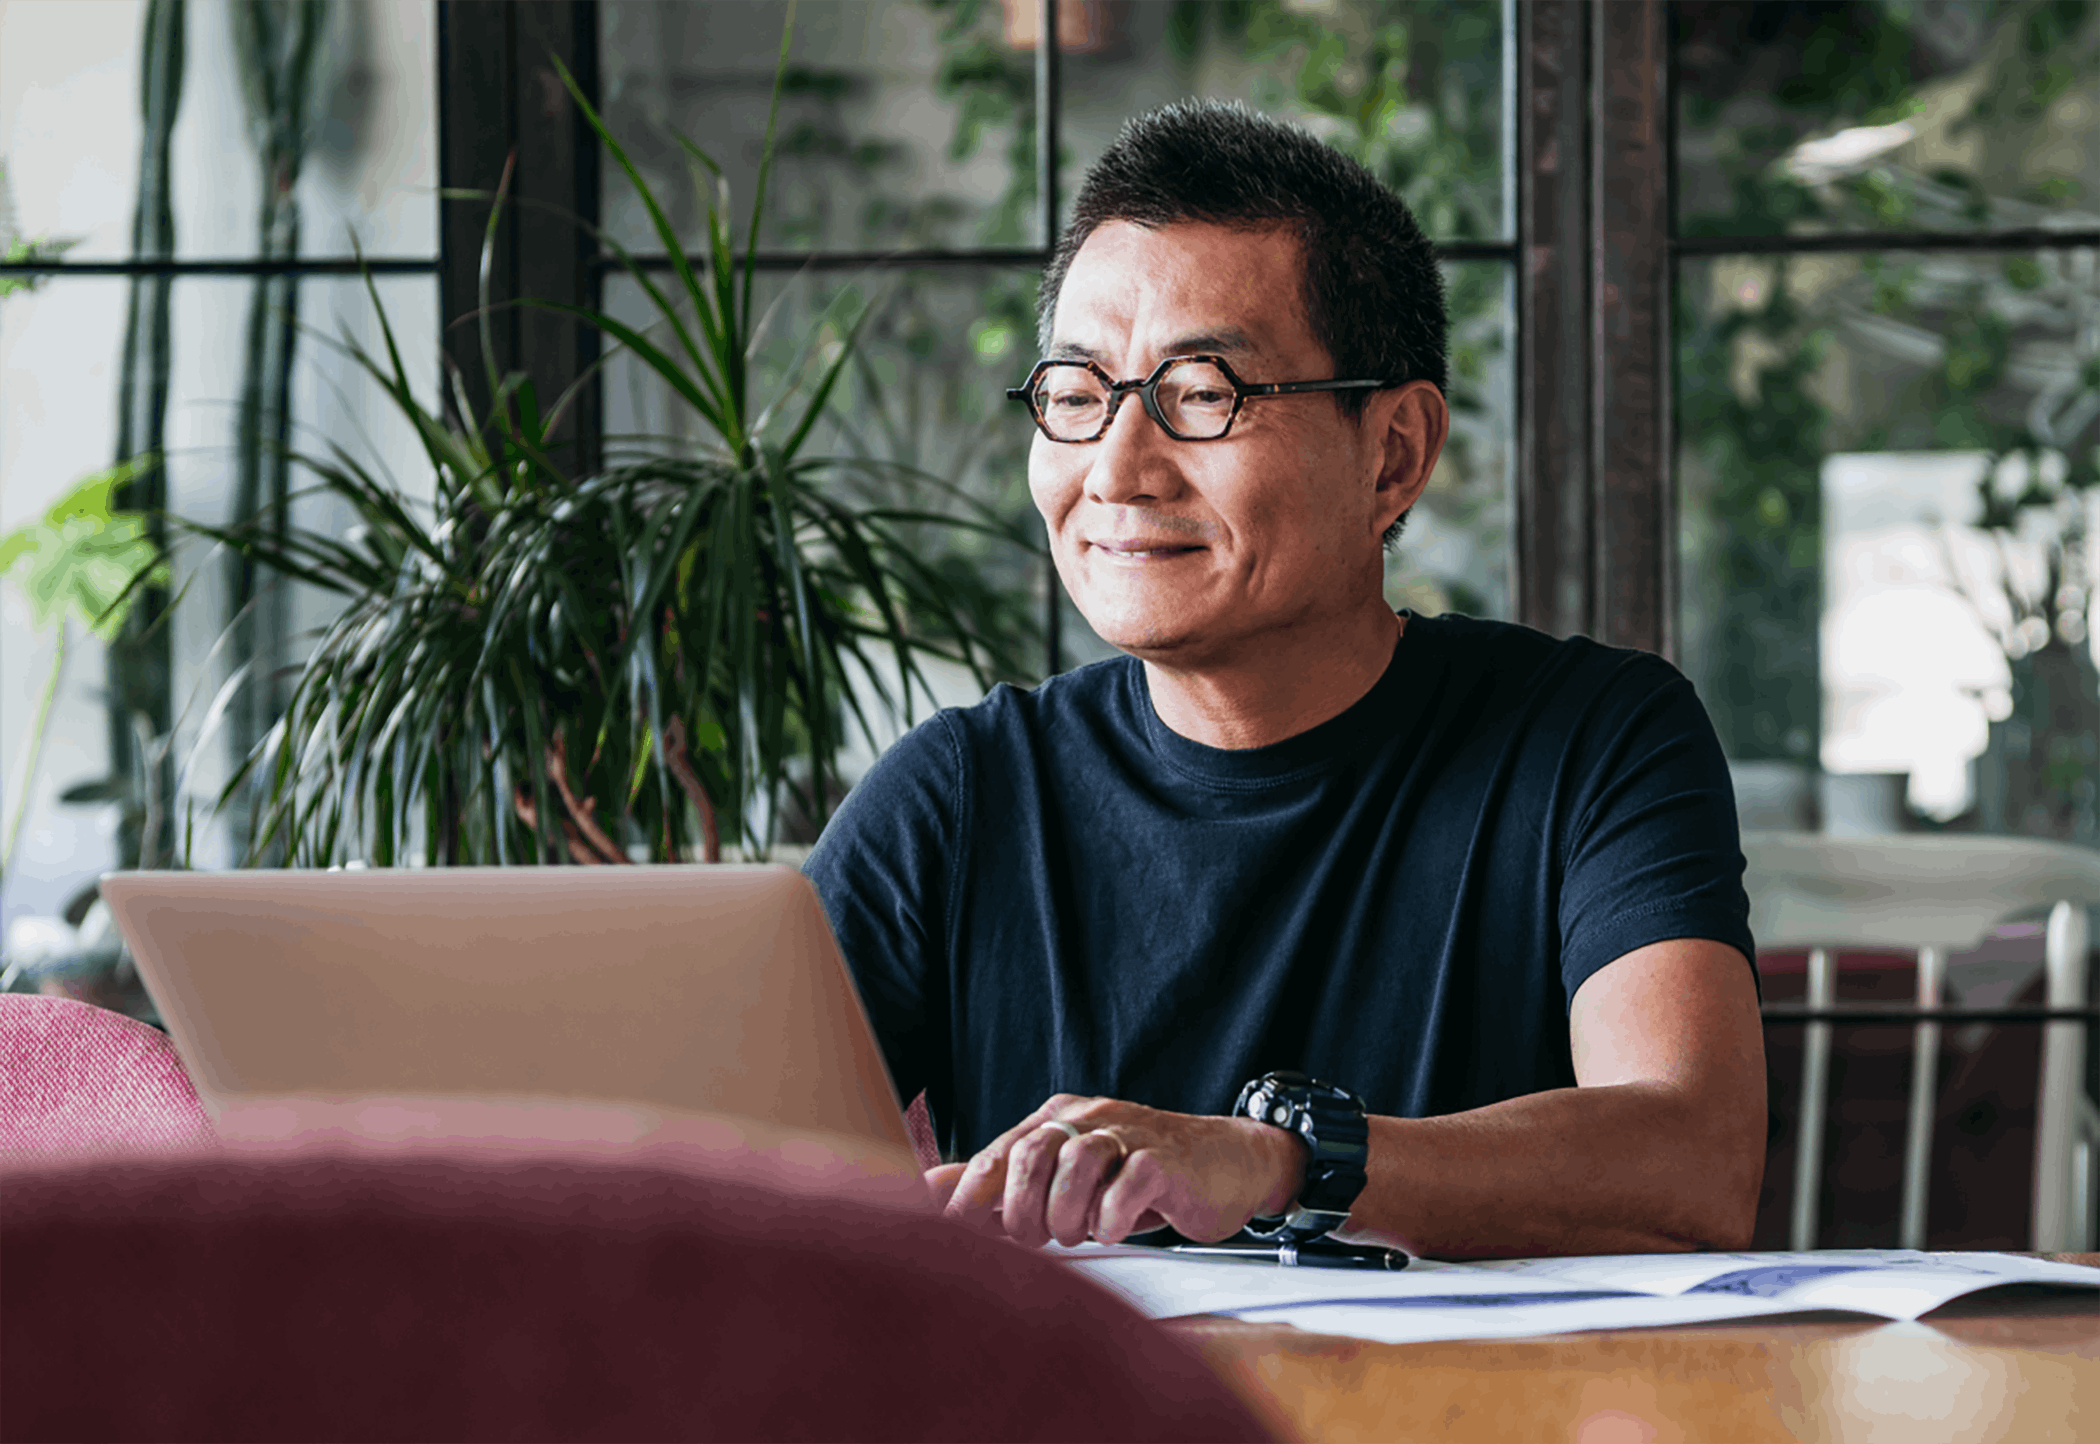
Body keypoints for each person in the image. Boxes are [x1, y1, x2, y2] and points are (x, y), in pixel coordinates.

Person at [806, 100, 1765, 1259]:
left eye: (1203, 392)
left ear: (1394, 452)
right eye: (1076, 391)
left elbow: (1691, 1163)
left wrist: (1274, 1159)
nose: (1116, 466)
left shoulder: (1590, 739)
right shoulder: (957, 800)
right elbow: (694, 1168)